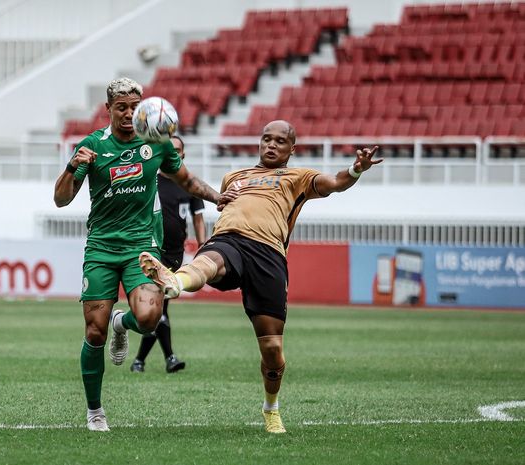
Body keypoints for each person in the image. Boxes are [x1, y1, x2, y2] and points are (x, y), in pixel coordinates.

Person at [139, 120, 382, 433]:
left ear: (292, 149)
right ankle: (175, 281)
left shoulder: (299, 177)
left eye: (280, 141)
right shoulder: (234, 176)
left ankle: (271, 408)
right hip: (228, 238)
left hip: (268, 254)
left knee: (272, 349)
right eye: (267, 139)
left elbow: (336, 182)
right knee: (209, 262)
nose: (271, 145)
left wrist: (356, 169)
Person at [53, 77, 226, 432]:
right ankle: (95, 411)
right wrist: (73, 165)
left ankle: (124, 323)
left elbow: (188, 181)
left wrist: (216, 197)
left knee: (148, 319)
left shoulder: (157, 144)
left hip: (141, 247)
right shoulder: (93, 146)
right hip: (101, 248)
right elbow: (61, 198)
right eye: (122, 108)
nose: (129, 114)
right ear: (109, 110)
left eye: (134, 107)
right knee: (95, 334)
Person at [130, 135, 207, 374]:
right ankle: (168, 358)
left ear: (182, 155)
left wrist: (203, 247)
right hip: (152, 252)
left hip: (175, 255)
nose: (172, 153)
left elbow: (198, 218)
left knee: (159, 309)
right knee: (159, 307)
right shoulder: (150, 180)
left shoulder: (188, 184)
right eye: (168, 148)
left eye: (177, 150)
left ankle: (142, 360)